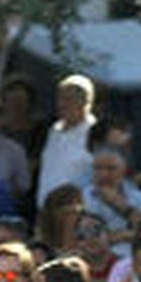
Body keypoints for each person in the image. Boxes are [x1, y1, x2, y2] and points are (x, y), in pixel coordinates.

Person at [37, 75, 97, 207]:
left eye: (69, 99)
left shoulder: (95, 132)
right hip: (44, 210)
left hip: (75, 211)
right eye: (60, 98)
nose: (61, 104)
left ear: (86, 102)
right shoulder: (53, 131)